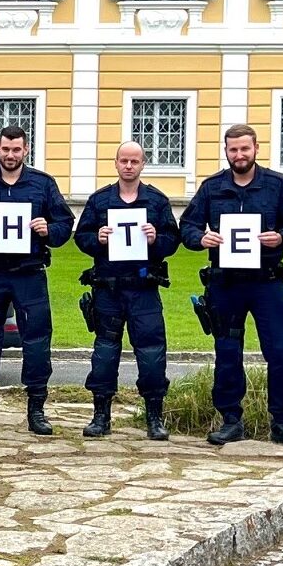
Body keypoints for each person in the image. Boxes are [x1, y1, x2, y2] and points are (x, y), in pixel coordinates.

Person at [180, 124, 283, 447]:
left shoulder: (278, 186)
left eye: (244, 149)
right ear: (226, 151)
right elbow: (188, 225)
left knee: (281, 347)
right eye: (233, 149)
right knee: (226, 351)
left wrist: (282, 237)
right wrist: (200, 238)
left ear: (256, 149)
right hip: (226, 282)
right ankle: (230, 420)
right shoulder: (211, 188)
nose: (239, 155)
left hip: (267, 281)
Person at [0, 126, 73, 435]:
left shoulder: (43, 184)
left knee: (36, 341)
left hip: (29, 274)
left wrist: (48, 230)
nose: (10, 155)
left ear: (25, 149)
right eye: (5, 149)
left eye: (16, 150)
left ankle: (36, 408)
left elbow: (64, 224)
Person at [72, 142, 181, 439]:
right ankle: (100, 415)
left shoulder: (156, 201)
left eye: (134, 161)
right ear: (116, 163)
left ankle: (155, 417)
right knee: (105, 354)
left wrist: (157, 238)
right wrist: (98, 239)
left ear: (143, 164)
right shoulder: (100, 200)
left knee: (151, 354)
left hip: (143, 288)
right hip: (108, 289)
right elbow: (81, 238)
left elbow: (173, 240)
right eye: (124, 160)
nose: (129, 166)